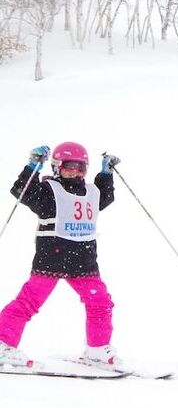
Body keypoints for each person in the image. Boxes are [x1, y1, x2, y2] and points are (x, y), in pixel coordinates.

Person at [0, 142, 124, 369]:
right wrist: (33, 166)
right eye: (69, 167)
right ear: (57, 167)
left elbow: (105, 196)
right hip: (51, 260)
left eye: (80, 167)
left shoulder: (92, 192)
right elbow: (22, 191)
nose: (74, 172)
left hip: (84, 262)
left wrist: (106, 173)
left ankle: (97, 349)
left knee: (100, 302)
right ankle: (3, 344)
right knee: (28, 303)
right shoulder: (48, 191)